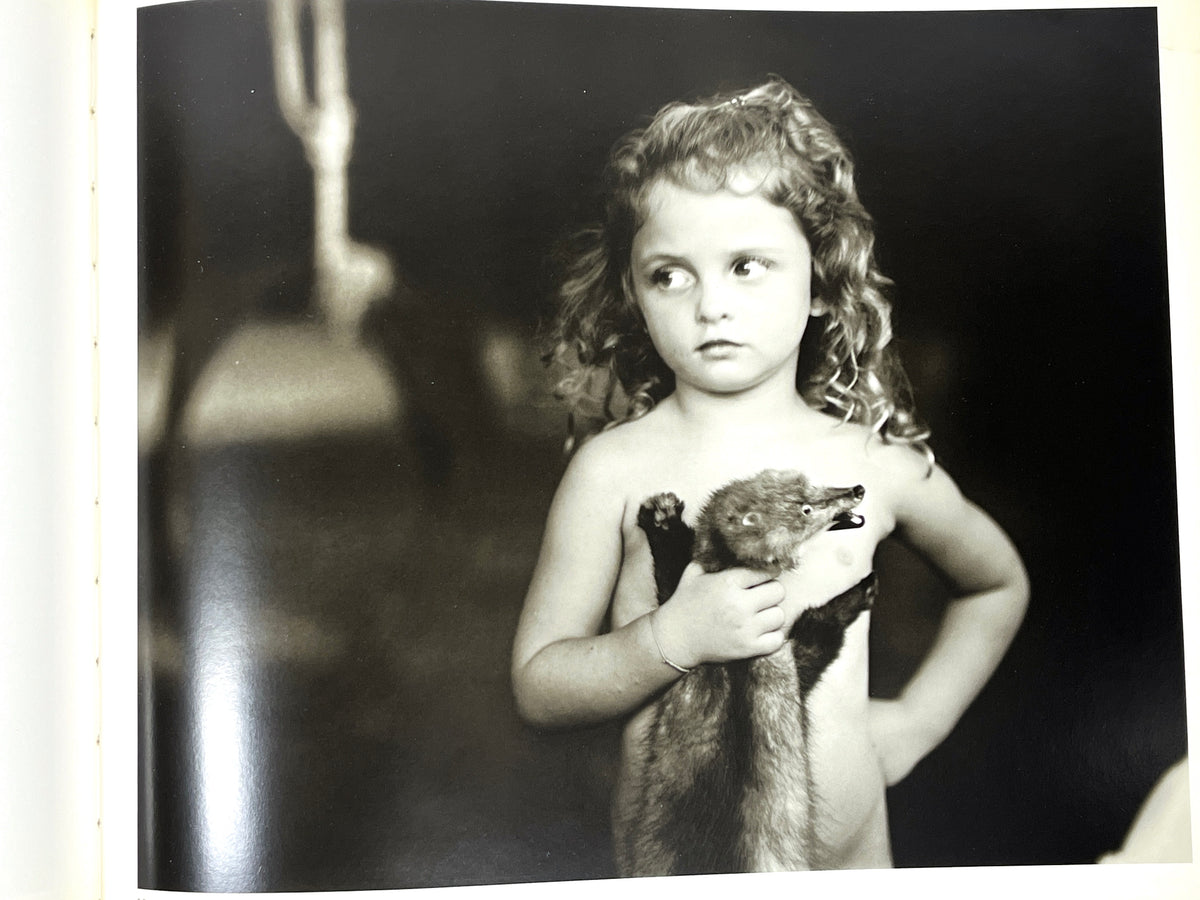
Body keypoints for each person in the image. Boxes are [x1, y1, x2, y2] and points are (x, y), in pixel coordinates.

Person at [511, 77, 1029, 872]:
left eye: (747, 265)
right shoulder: (613, 471)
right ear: (633, 295)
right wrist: (667, 638)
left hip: (852, 866)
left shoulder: (870, 466)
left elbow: (997, 584)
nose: (710, 304)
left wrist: (920, 720)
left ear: (820, 281)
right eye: (670, 275)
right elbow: (539, 685)